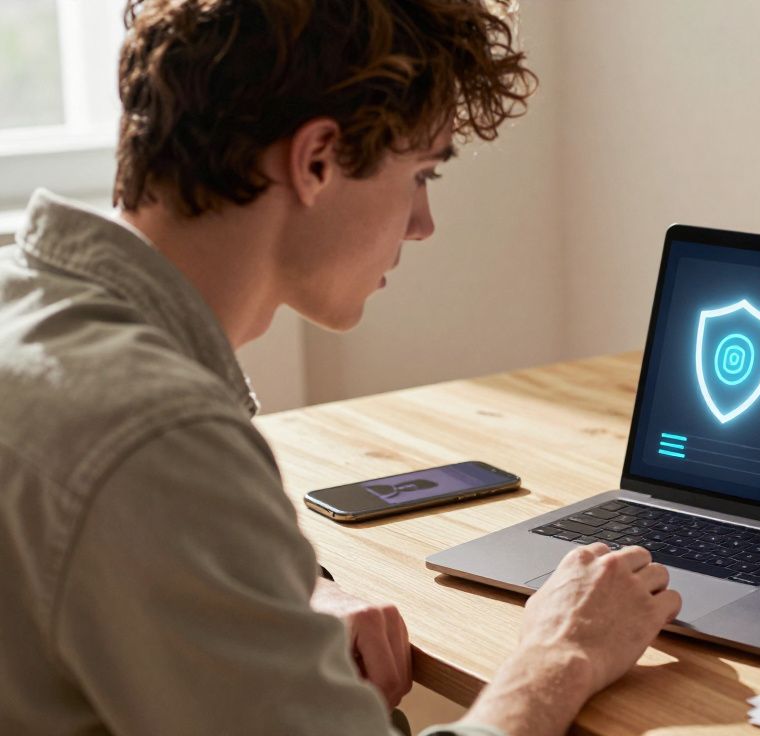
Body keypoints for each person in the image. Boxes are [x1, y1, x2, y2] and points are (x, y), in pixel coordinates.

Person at [0, 2, 680, 735]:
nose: (422, 224)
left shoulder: (30, 313)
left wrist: (279, 603)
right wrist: (559, 656)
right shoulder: (161, 439)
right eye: (421, 173)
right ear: (316, 159)